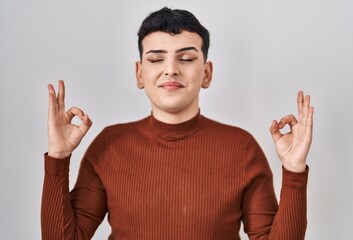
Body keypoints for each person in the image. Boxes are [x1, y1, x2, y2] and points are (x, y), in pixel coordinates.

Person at [41, 7, 314, 240]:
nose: (171, 69)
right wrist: (58, 157)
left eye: (186, 58)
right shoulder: (109, 146)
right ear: (140, 74)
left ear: (206, 73)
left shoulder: (241, 148)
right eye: (156, 59)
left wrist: (294, 171)